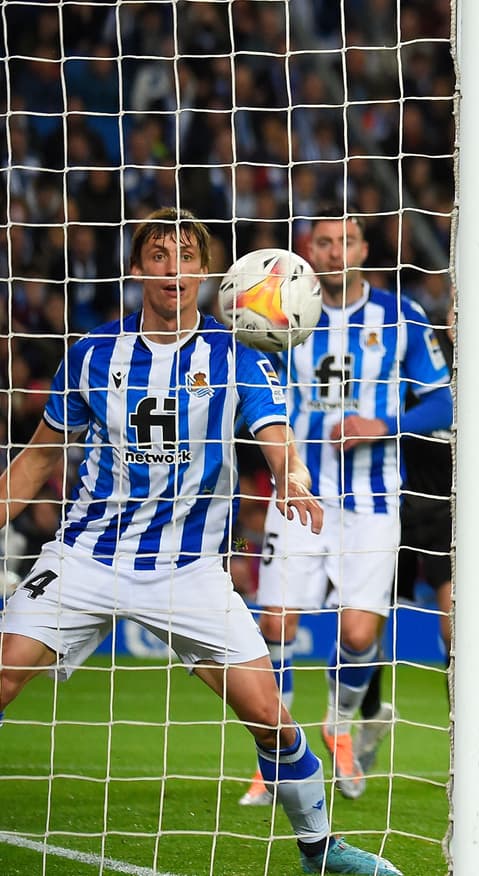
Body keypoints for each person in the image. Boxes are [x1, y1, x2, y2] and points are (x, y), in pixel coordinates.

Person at [0, 208, 401, 875]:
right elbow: (39, 460)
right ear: (137, 269)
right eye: (158, 256)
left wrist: (293, 474)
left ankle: (322, 851)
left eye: (186, 256)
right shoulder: (95, 353)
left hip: (188, 568)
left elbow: (274, 433)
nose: (173, 270)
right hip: (87, 554)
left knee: (268, 713)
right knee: (5, 672)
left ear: (207, 272)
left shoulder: (235, 350)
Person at [240, 207, 452, 805]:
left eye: (347, 241)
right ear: (309, 251)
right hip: (299, 489)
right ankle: (274, 757)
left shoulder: (402, 316)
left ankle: (336, 733)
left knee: (360, 632)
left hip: (374, 498)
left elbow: (443, 404)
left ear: (364, 250)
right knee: (275, 622)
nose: (336, 252)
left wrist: (381, 423)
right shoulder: (279, 311)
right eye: (325, 242)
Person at [351, 293, 479, 773]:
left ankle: (465, 738)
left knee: (454, 619)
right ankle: (370, 714)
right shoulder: (418, 360)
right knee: (367, 620)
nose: (461, 321)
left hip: (458, 511)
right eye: (455, 312)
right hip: (397, 498)